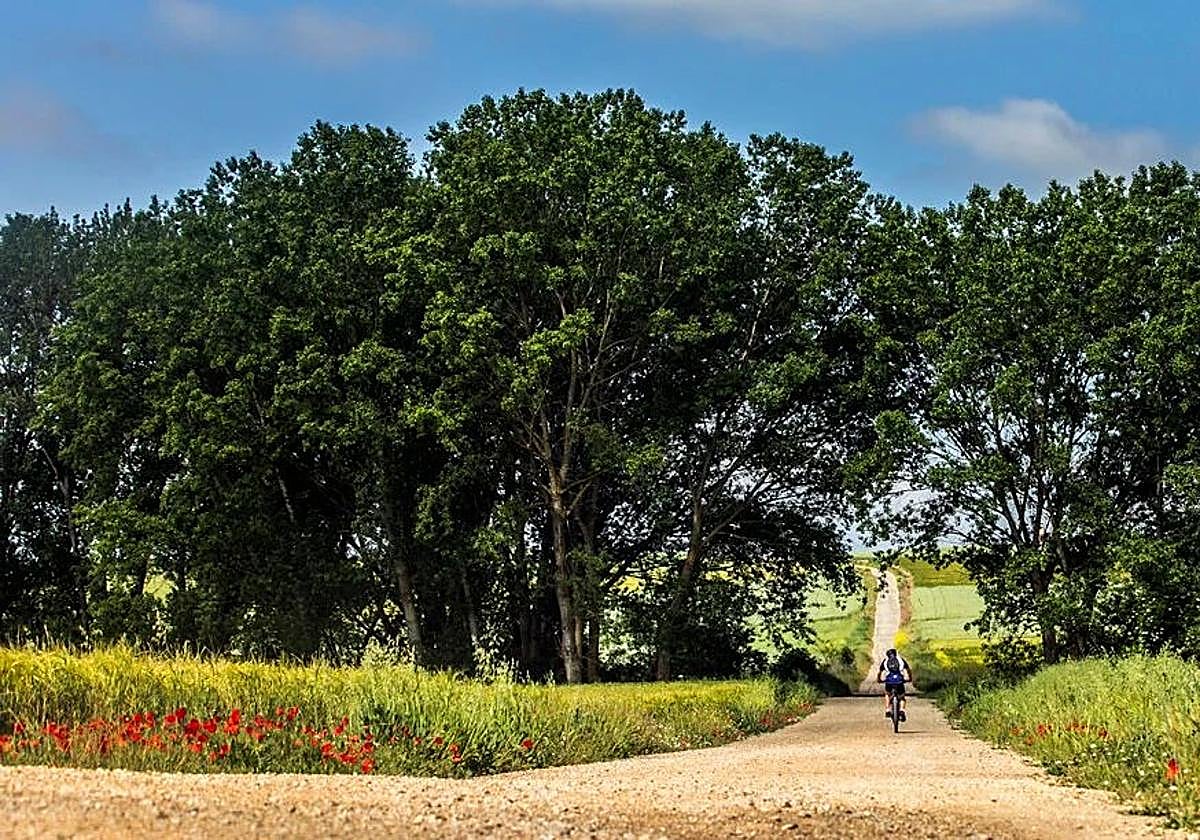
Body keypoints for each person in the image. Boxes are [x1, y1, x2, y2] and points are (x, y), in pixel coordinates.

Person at [876, 647, 913, 721]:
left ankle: (887, 709)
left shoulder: (885, 661)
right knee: (902, 697)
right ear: (896, 654)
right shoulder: (901, 660)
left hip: (889, 681)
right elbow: (908, 670)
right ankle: (902, 710)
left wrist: (879, 680)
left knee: (887, 694)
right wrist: (910, 678)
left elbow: (879, 673)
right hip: (899, 681)